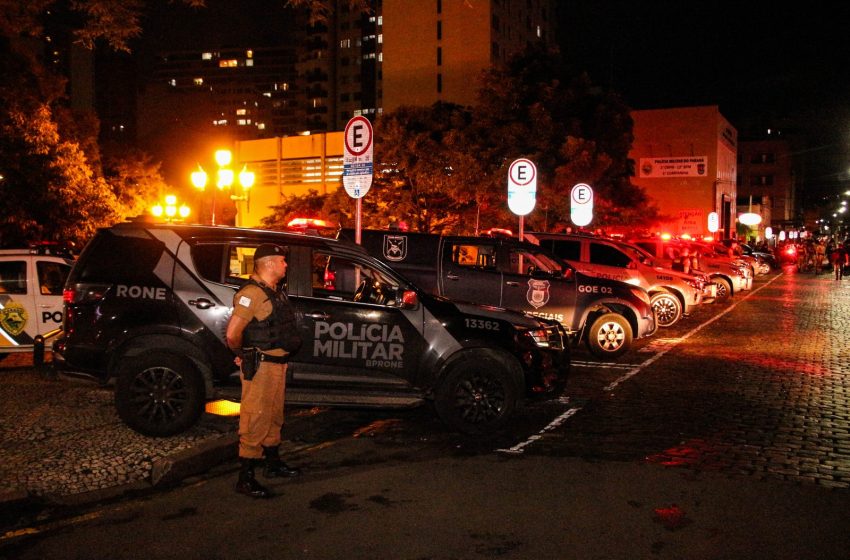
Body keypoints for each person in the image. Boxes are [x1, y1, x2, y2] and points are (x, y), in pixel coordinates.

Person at [226, 243, 302, 498]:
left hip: (277, 366)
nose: (285, 265)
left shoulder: (274, 292)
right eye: (282, 261)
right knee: (255, 418)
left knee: (273, 416)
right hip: (261, 366)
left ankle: (272, 464)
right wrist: (242, 355)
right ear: (269, 263)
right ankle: (245, 478)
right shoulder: (252, 294)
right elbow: (233, 333)